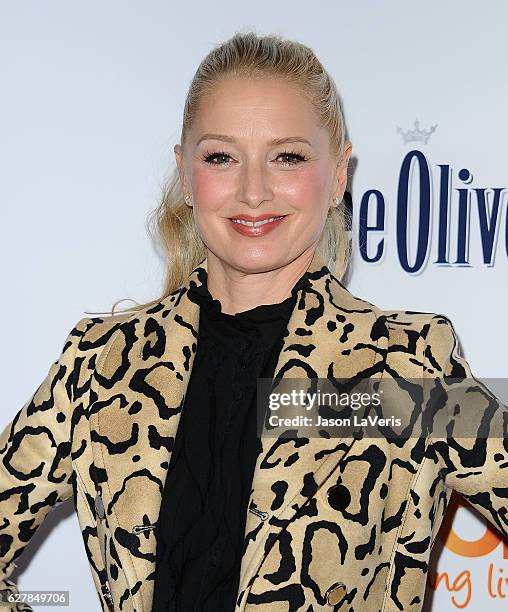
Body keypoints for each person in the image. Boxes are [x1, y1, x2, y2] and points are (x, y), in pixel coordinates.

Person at [0, 31, 506, 612]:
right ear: (186, 174)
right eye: (221, 157)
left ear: (339, 173)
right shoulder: (102, 362)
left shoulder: (406, 366)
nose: (253, 191)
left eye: (287, 156)